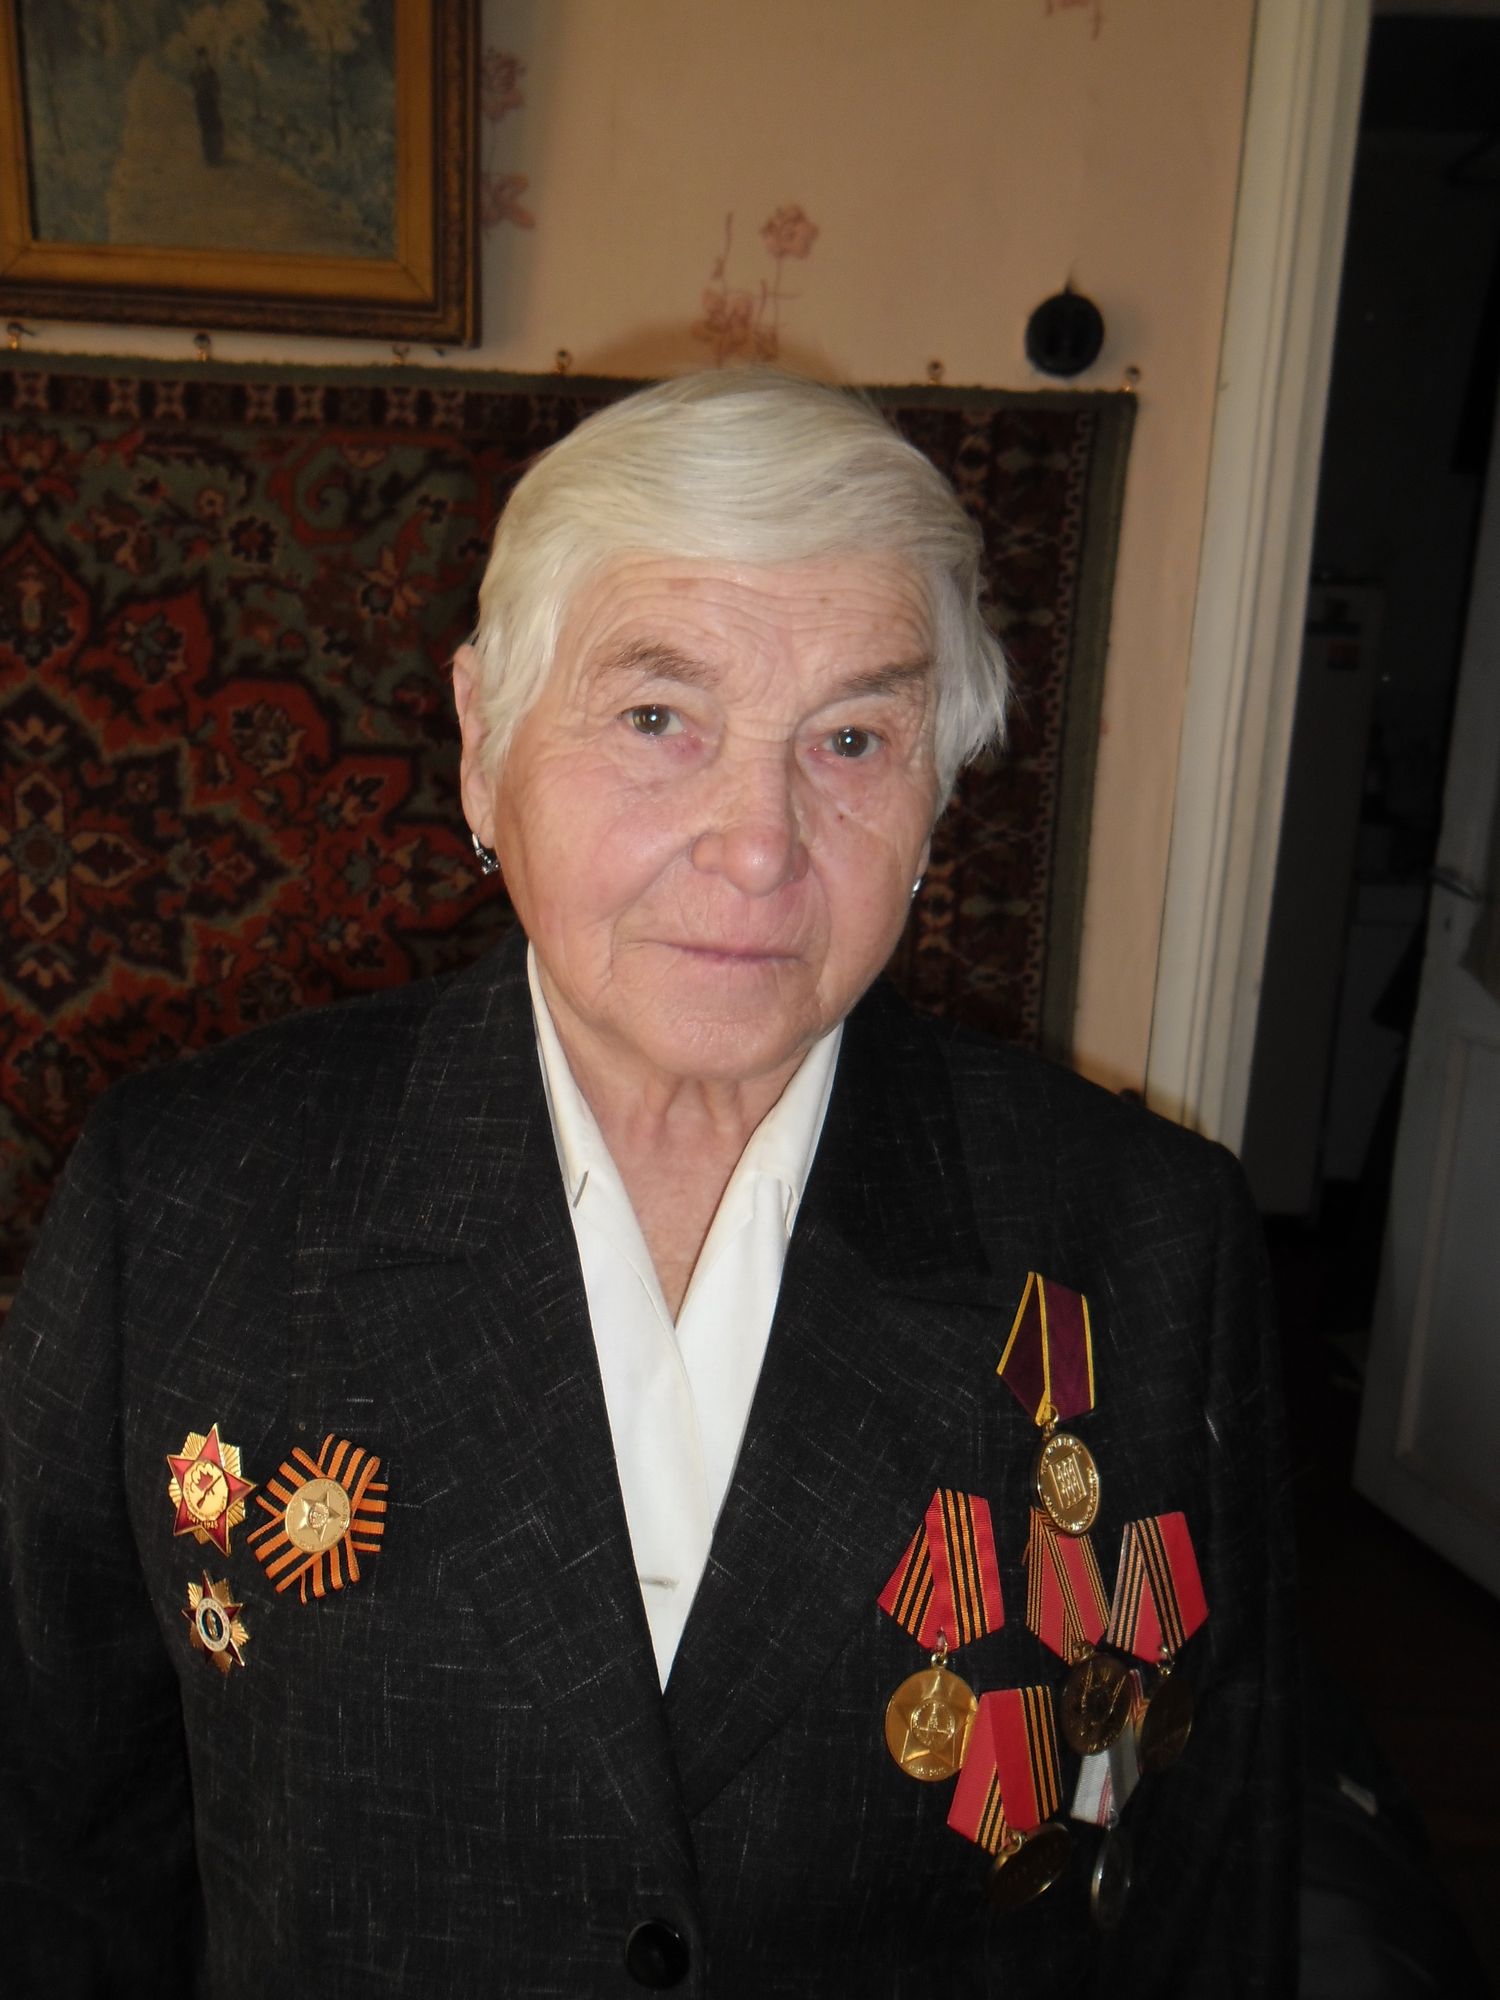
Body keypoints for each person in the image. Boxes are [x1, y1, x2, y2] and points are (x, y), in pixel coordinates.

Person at [0, 369, 1296, 1996]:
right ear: (485, 745)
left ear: (939, 791)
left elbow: (1205, 1876)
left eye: (852, 738)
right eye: (657, 719)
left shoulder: (1145, 1238)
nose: (758, 842)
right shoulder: (187, 1201)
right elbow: (57, 1844)